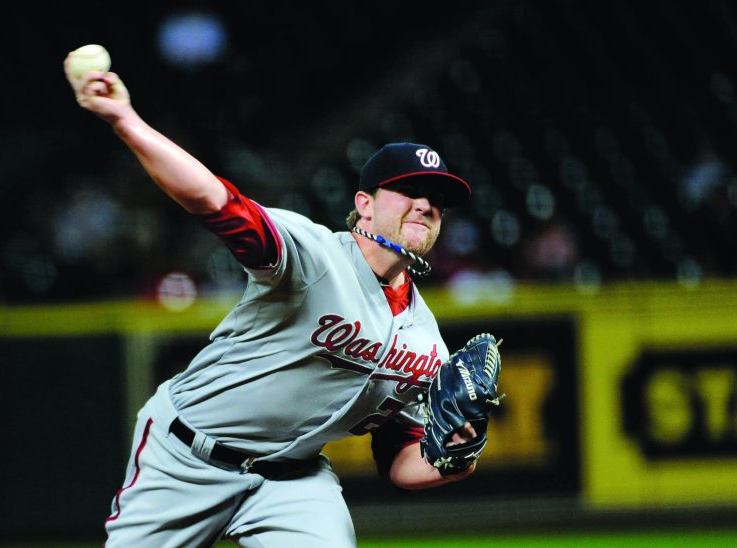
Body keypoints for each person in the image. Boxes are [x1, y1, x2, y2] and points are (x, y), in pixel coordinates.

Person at [71, 65, 479, 547]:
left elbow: (400, 462)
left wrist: (455, 458)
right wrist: (125, 120)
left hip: (293, 481)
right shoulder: (312, 256)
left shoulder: (427, 344)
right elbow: (212, 200)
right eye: (408, 191)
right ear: (364, 205)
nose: (426, 205)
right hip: (186, 458)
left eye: (437, 199)